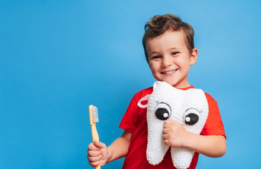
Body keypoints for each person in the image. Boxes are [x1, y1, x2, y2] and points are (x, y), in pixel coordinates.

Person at [87, 14, 226, 169]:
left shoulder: (202, 102)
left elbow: (219, 146)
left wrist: (185, 138)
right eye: (156, 57)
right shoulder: (142, 98)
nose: (166, 63)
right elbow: (127, 140)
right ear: (148, 62)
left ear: (192, 56)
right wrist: (108, 153)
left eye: (175, 53)